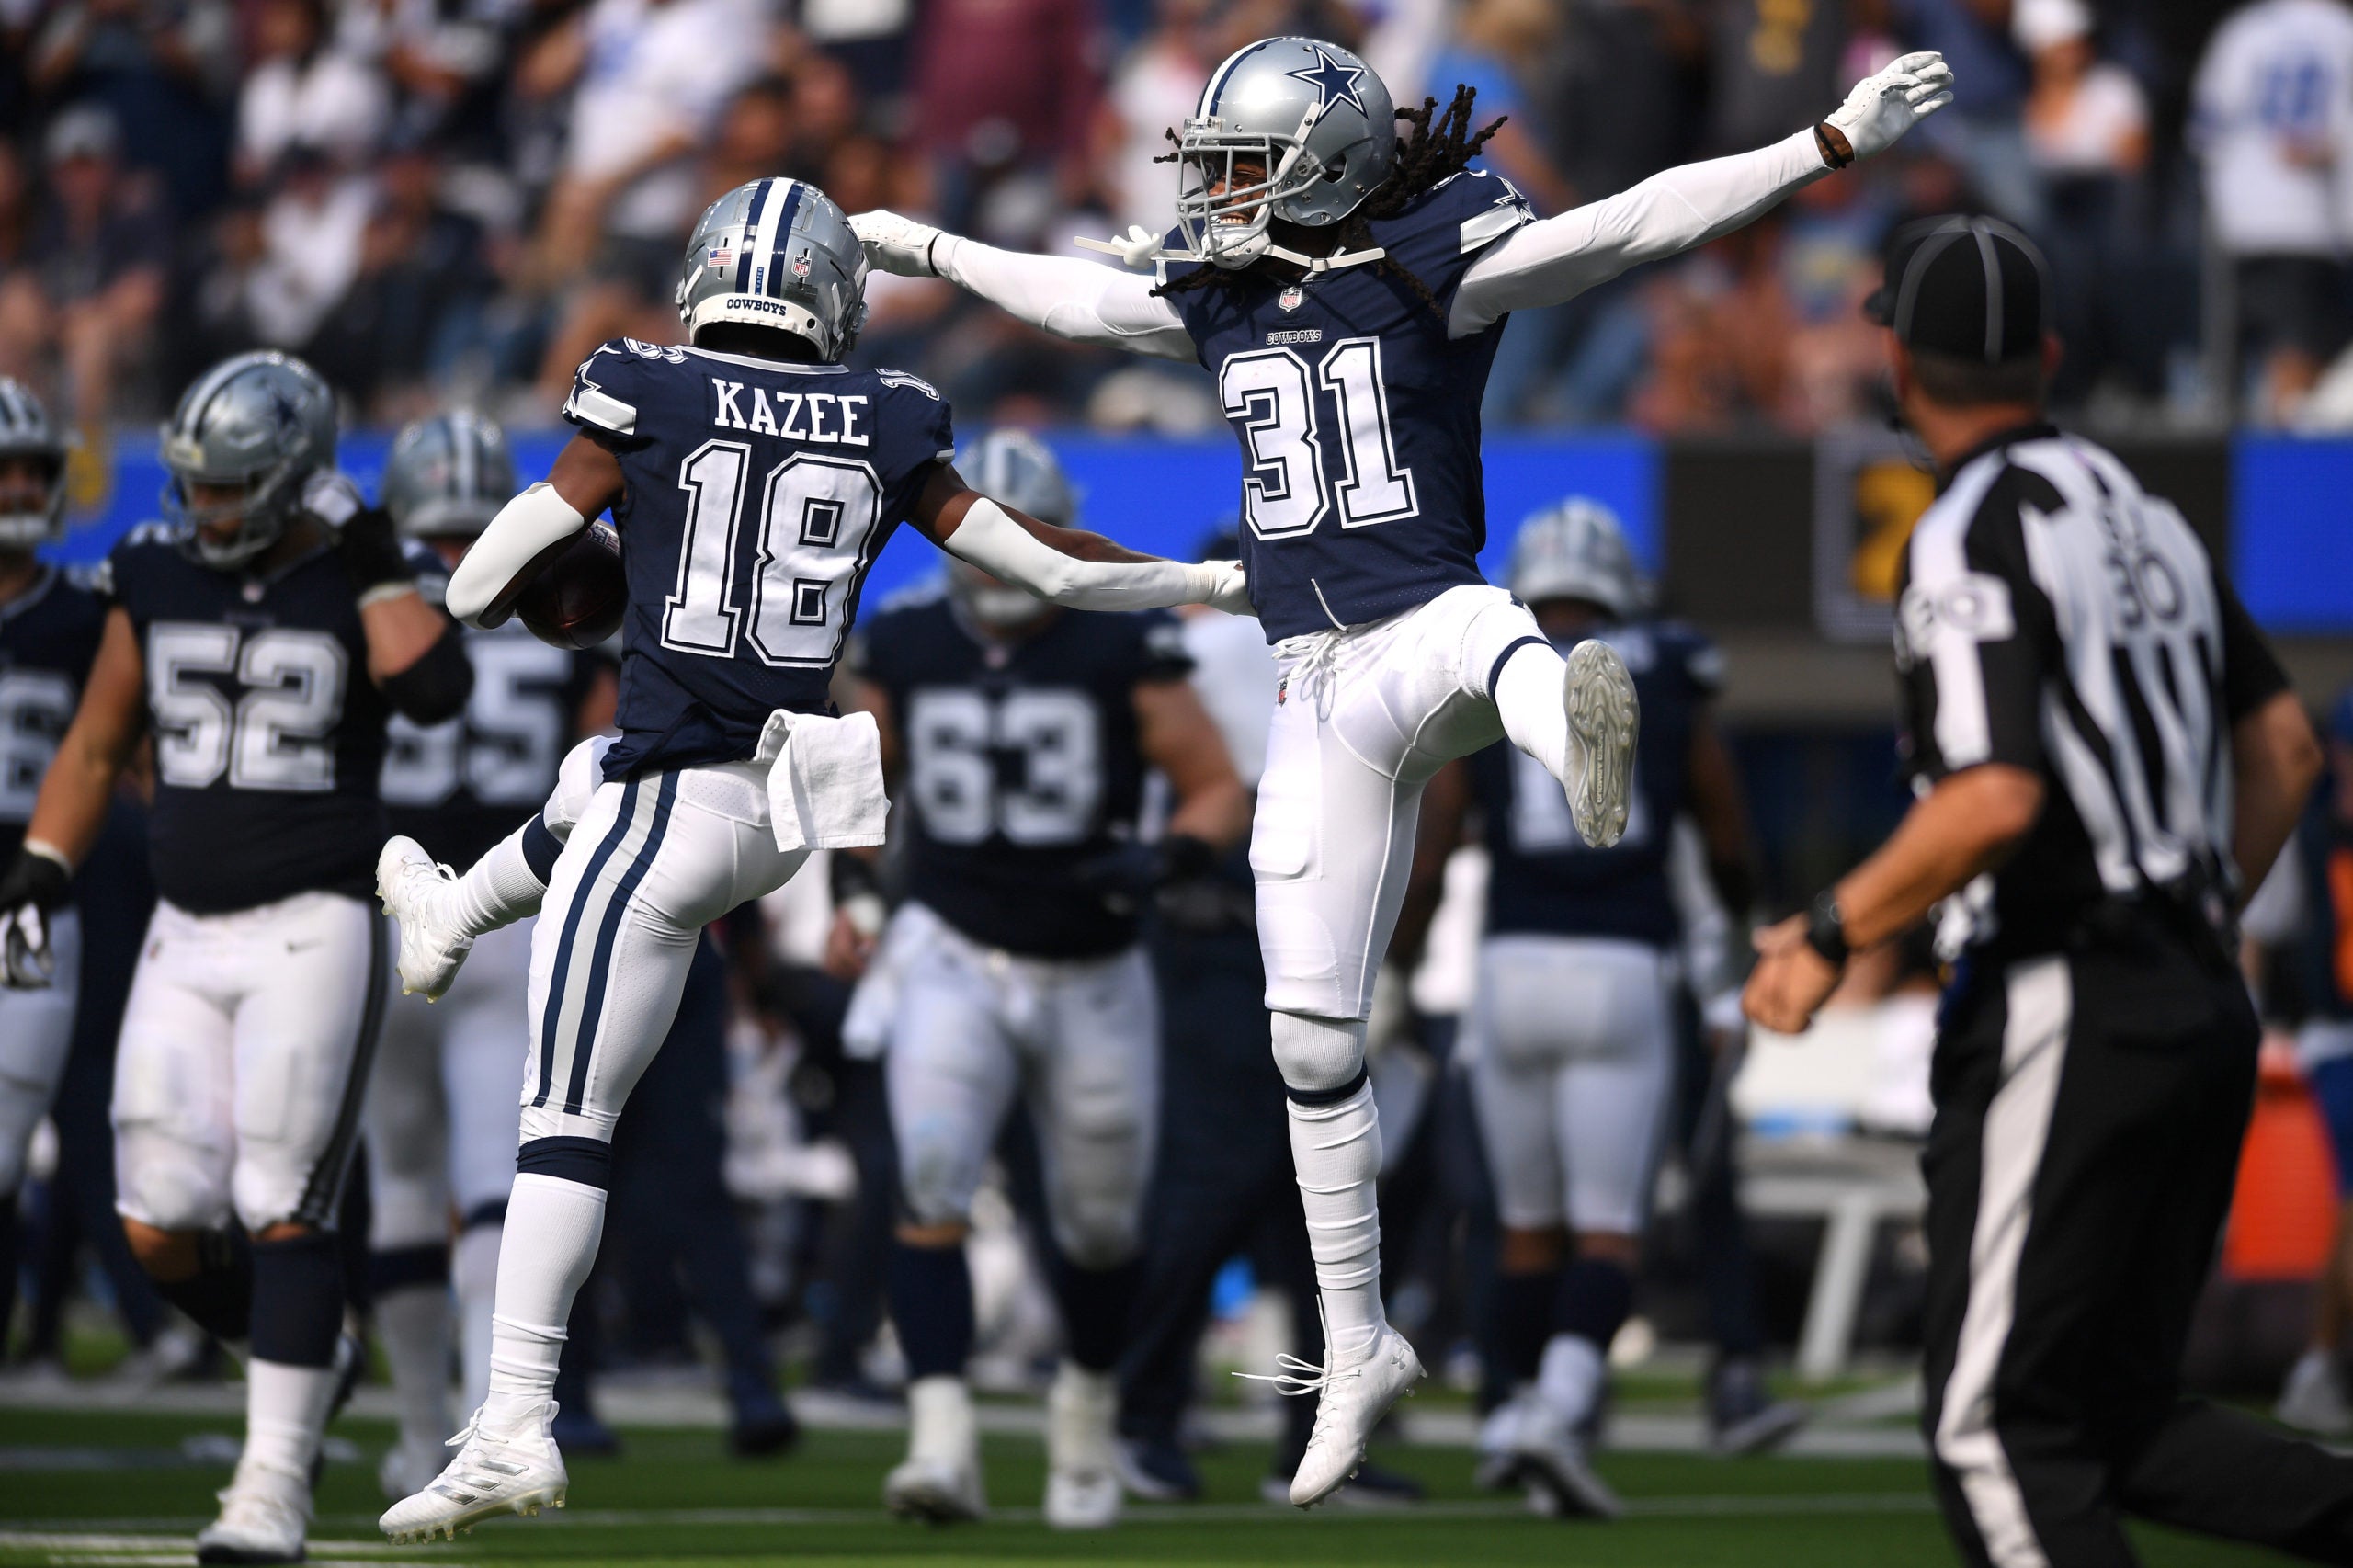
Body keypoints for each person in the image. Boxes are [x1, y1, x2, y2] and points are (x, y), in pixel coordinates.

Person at [847, 34, 1954, 1504]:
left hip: (1422, 613)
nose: (1218, 192)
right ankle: (1359, 1341)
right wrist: (931, 247)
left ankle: (1573, 726)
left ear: (1328, 160)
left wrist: (1821, 142)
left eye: (1245, 163)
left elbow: (1628, 225)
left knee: (1496, 638)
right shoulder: (1225, 294)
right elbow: (1084, 300)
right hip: (1314, 684)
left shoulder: (1434, 258)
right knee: (1309, 1036)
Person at [366, 176, 1248, 1543]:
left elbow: (481, 589)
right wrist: (1205, 582)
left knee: (564, 1122)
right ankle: (453, 910)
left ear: (709, 273)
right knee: (582, 778)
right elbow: (1056, 572)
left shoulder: (643, 386)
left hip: (677, 808)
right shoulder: (890, 413)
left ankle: (513, 1422)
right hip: (781, 807)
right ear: (835, 293)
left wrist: (585, 549)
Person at [1743, 213, 2353, 1567]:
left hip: (2070, 988)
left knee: (1992, 1426)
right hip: (2188, 991)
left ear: (1900, 360)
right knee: (2115, 1419)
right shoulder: (2147, 516)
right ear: (2051, 354)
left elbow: (1995, 794)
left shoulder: (1966, 527)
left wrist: (1833, 928)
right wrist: (2192, 915)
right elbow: (2284, 749)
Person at [0, 349, 474, 1562]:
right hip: (182, 927)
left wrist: (368, 545)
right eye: (197, 485)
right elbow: (102, 745)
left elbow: (433, 688)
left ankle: (270, 1488)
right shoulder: (154, 570)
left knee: (279, 1203)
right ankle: (312, 1350)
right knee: (157, 1221)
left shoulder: (361, 572)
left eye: (233, 487)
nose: (206, 509)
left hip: (315, 923)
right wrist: (46, 864)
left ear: (293, 479)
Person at [833, 430, 1248, 1528]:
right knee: (930, 1181)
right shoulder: (911, 640)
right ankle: (941, 1443)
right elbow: (860, 784)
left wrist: (1170, 857)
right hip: (954, 947)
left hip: (1096, 961)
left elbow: (1214, 785)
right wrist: (857, 892)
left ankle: (1083, 1416)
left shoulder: (1121, 644)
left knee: (1102, 1225)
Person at [1394, 497, 1757, 1518]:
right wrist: (1736, 929)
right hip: (1622, 968)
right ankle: (1555, 1409)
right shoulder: (1671, 666)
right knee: (1606, 1233)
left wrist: (1400, 959)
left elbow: (1440, 836)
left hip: (1507, 969)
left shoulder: (1489, 656)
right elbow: (1724, 831)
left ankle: (1508, 1416)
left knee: (1519, 1228)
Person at [366, 411, 609, 1499]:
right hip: (512, 904)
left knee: (412, 1185)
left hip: (389, 907)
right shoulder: (561, 596)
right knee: (490, 1180)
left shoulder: (375, 598)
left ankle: (429, 1427)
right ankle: (470, 1418)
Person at [0, 381, 104, 1346]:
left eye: (35, 469)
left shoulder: (84, 613)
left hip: (26, 902)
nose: (23, 486)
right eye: (8, 470)